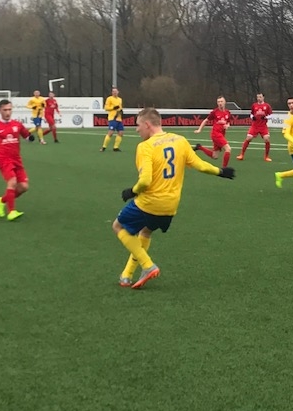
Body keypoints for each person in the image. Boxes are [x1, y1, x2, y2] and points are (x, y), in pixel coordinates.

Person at [114, 107, 236, 289]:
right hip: (171, 206)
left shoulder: (145, 147)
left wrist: (132, 191)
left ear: (147, 124)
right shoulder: (180, 140)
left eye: (138, 125)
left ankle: (148, 265)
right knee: (145, 232)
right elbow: (200, 165)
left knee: (118, 226)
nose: (136, 129)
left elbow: (145, 180)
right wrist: (221, 172)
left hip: (149, 203)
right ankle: (127, 275)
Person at [0, 99, 36, 221]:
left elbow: (26, 136)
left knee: (24, 187)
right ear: (0, 110)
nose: (8, 112)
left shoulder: (17, 124)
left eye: (10, 109)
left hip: (16, 159)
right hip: (3, 159)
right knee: (12, 181)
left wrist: (30, 138)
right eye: (5, 110)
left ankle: (1, 201)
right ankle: (11, 212)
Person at [193, 96, 232, 167]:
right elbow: (205, 120)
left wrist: (227, 126)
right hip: (216, 134)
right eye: (218, 102)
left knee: (215, 156)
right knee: (228, 149)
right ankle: (224, 169)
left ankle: (199, 147)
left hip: (222, 134)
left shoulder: (228, 112)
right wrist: (199, 129)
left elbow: (228, 122)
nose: (220, 103)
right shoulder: (215, 112)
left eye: (221, 101)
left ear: (225, 102)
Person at [237, 93, 273, 161]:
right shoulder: (254, 105)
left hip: (263, 126)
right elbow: (251, 114)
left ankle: (266, 156)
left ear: (263, 97)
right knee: (248, 138)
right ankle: (241, 155)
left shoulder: (267, 106)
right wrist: (252, 117)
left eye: (260, 97)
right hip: (255, 126)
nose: (259, 98)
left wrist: (265, 117)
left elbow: (271, 115)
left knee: (267, 139)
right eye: (258, 97)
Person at [100, 87, 124, 151]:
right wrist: (113, 108)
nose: (115, 93)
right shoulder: (109, 99)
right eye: (113, 91)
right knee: (110, 132)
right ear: (112, 92)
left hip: (119, 118)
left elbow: (120, 108)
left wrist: (121, 111)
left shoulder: (120, 99)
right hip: (112, 118)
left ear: (118, 92)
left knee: (121, 132)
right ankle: (104, 147)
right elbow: (106, 108)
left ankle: (116, 147)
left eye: (116, 91)